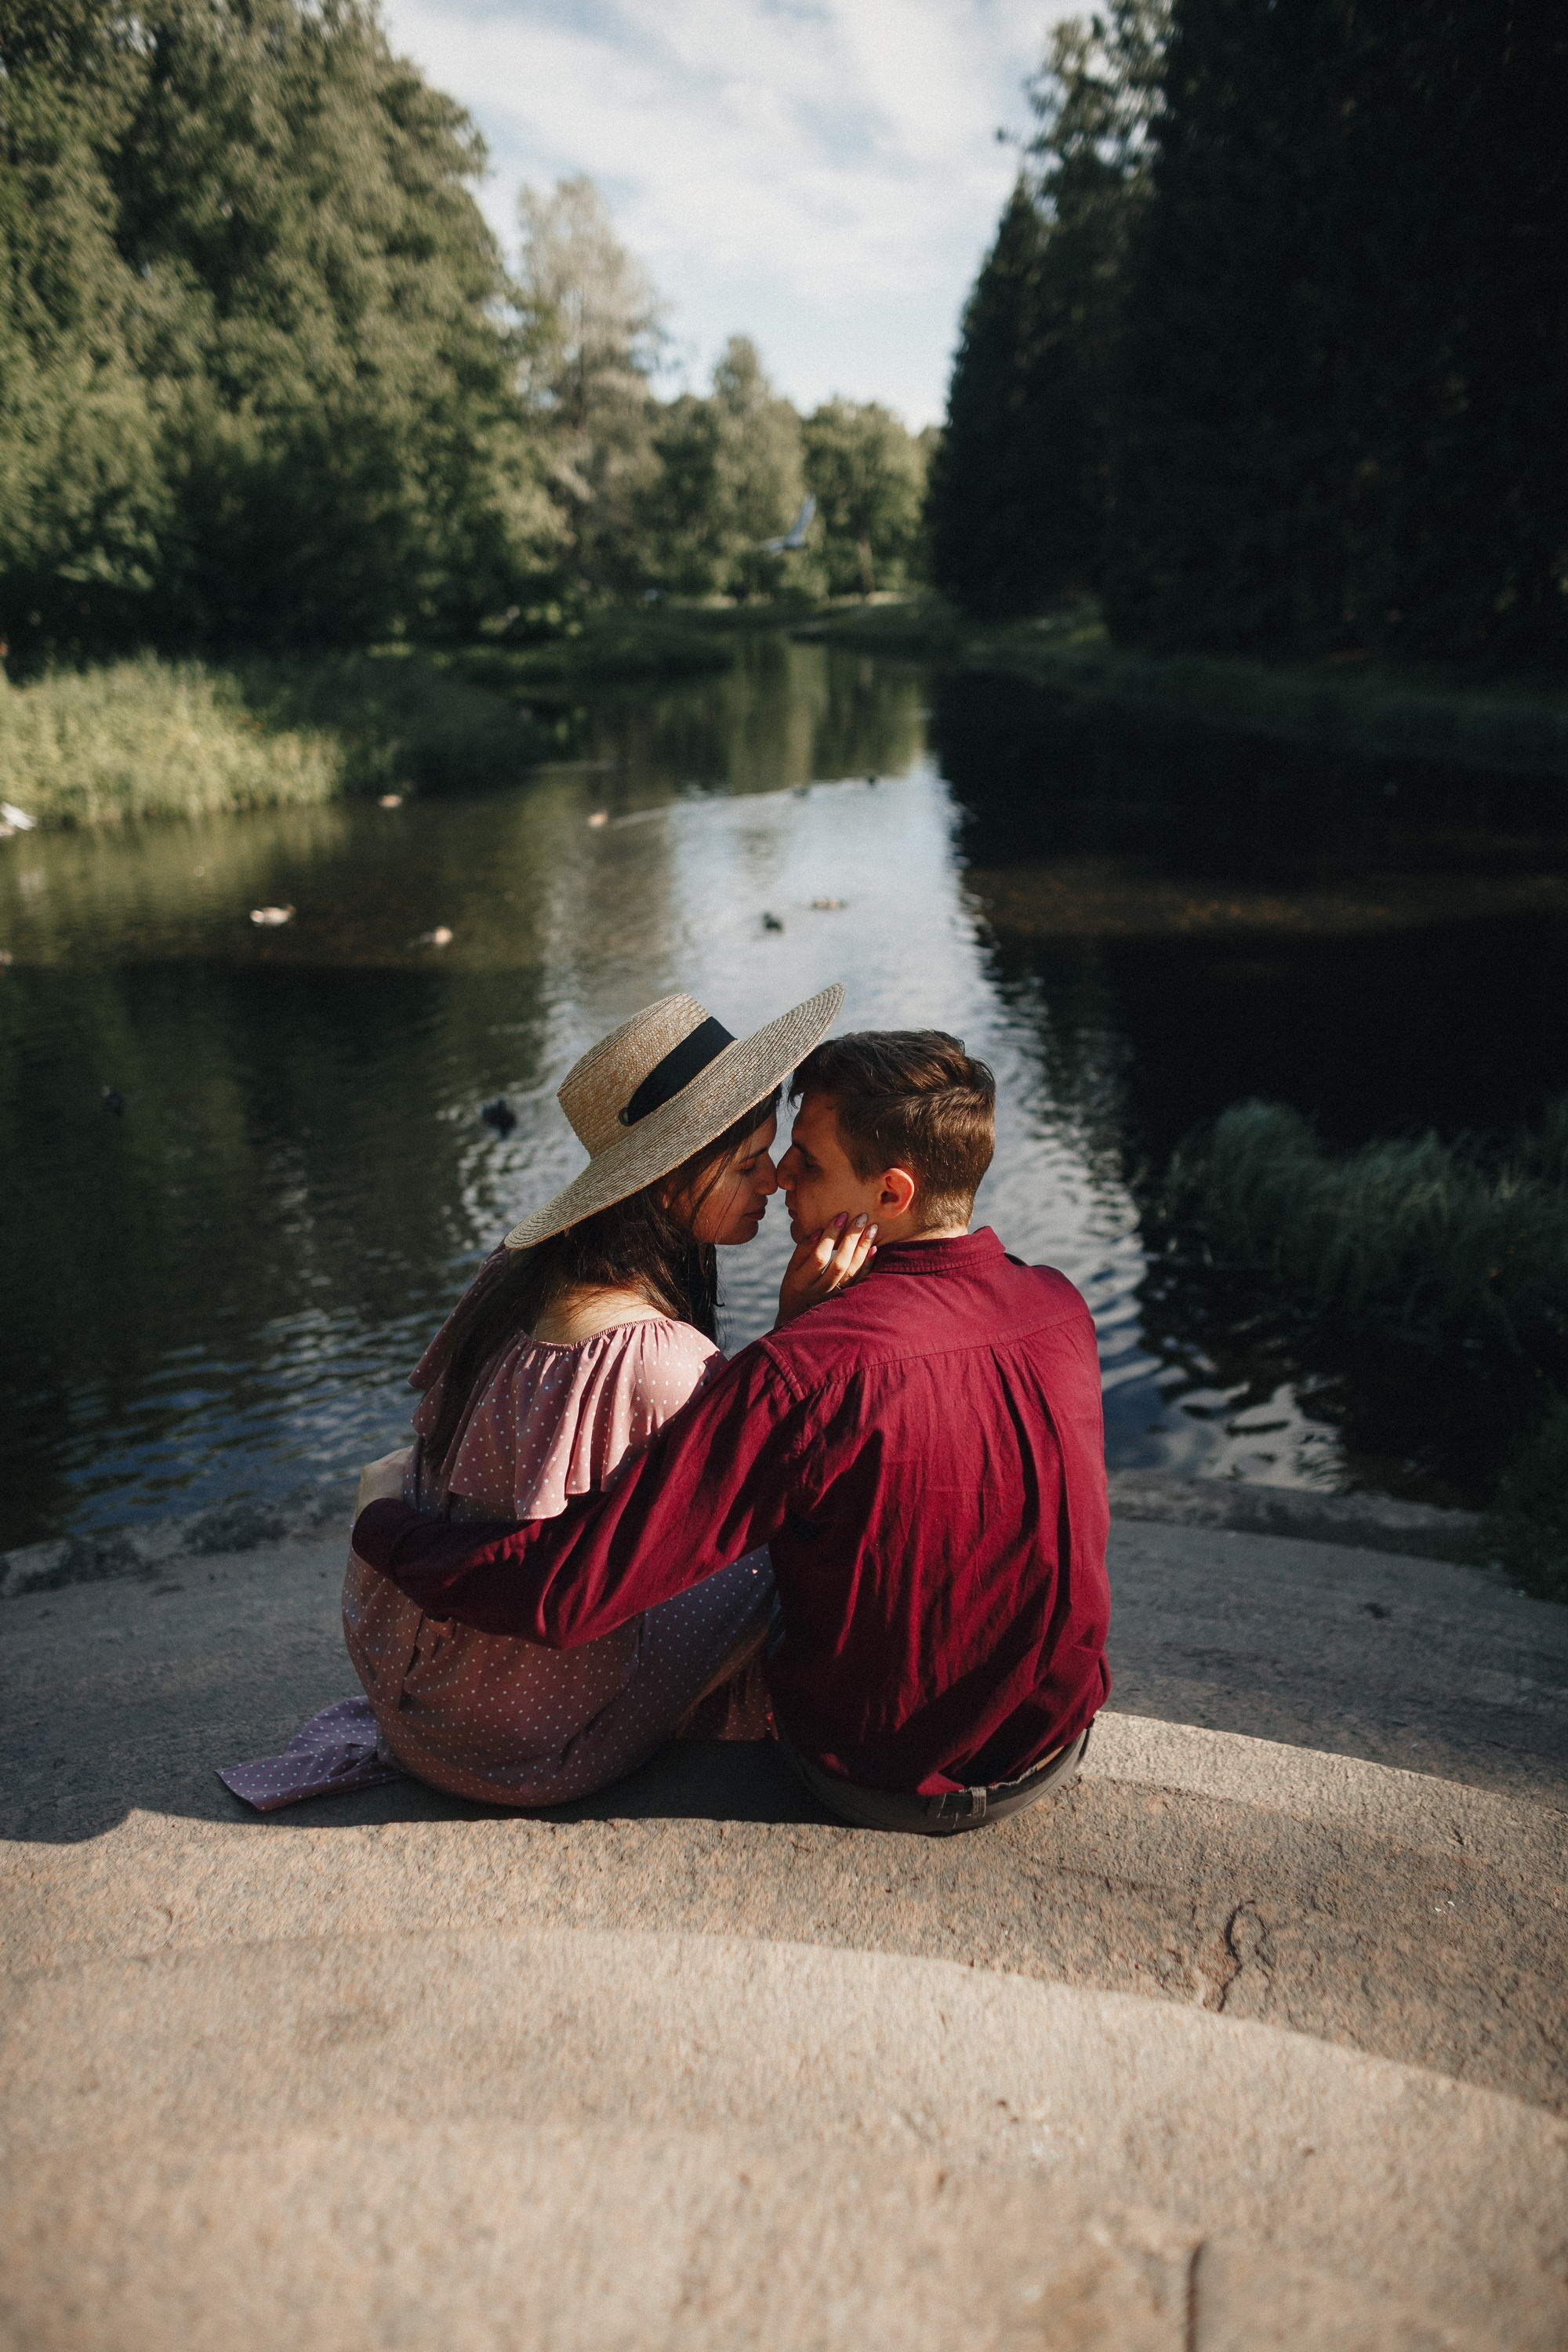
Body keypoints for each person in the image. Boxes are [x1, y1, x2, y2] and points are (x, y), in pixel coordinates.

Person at [351, 1030, 1111, 1836]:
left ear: (890, 1195)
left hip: (878, 1777)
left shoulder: (804, 1373)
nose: (781, 1175)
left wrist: (386, 1530)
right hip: (1054, 1746)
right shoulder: (1059, 1305)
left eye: (805, 1164)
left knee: (738, 1545)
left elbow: (565, 1594)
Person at [220, 981, 867, 1812]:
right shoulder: (653, 1358)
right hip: (519, 1743)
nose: (773, 1184)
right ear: (670, 1179)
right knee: (786, 1552)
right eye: (746, 1166)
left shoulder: (520, 1273)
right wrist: (797, 1334)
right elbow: (746, 1477)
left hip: (420, 1685)